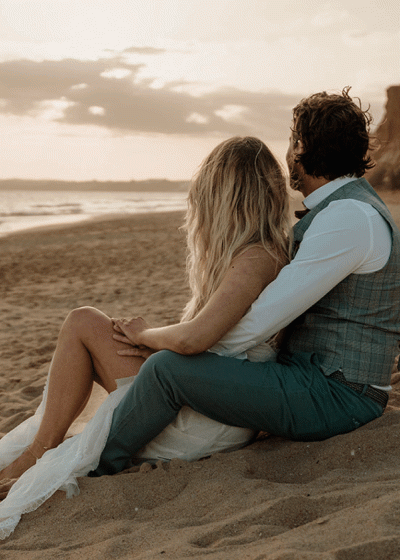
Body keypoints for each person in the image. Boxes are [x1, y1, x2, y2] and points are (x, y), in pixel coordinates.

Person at [88, 87, 400, 477]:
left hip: (337, 396)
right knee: (171, 365)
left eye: (290, 140)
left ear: (300, 146)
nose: (287, 153)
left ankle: (99, 467)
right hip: (323, 382)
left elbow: (259, 322)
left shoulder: (348, 218)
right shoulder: (351, 211)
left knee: (166, 370)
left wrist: (183, 347)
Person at [0, 136, 291, 537]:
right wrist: (149, 340)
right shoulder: (258, 254)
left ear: (225, 197)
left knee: (83, 321)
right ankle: (43, 444)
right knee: (93, 328)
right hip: (207, 394)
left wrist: (147, 334)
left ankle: (40, 451)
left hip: (207, 414)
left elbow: (194, 341)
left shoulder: (258, 257)